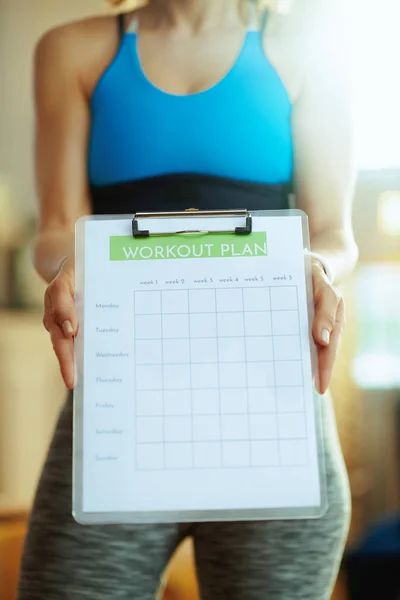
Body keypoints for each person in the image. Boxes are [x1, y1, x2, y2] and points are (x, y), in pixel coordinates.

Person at [18, 0, 359, 598]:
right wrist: (71, 265)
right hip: (118, 411)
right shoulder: (72, 49)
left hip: (273, 413)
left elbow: (333, 234)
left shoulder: (307, 46)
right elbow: (54, 228)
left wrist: (318, 268)